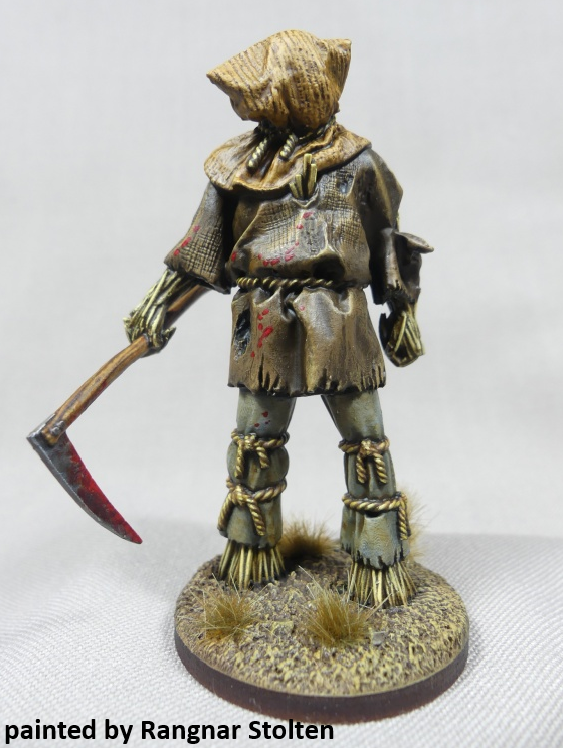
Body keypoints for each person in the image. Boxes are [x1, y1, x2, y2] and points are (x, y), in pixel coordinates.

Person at [124, 30, 432, 607]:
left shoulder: (360, 165)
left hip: (340, 319)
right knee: (255, 440)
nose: (244, 105)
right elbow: (202, 245)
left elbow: (387, 237)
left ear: (294, 92)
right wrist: (159, 300)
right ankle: (250, 554)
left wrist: (402, 310)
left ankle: (377, 560)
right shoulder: (238, 166)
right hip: (263, 320)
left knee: (366, 438)